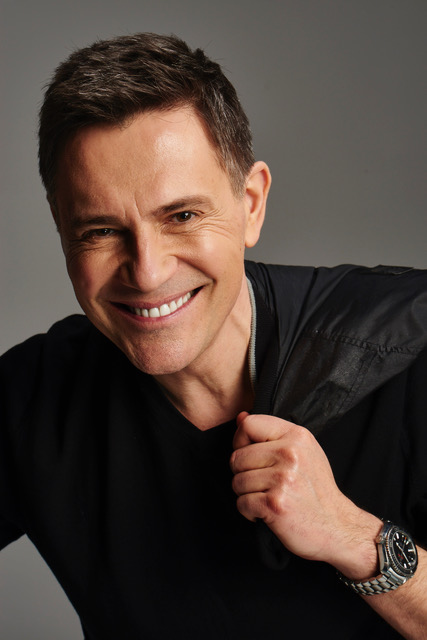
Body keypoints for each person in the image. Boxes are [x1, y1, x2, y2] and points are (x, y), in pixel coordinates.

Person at [1, 32, 426, 639]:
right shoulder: (34, 397)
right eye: (100, 231)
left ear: (251, 204)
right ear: (61, 227)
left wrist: (354, 537)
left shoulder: (409, 350)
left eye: (182, 216)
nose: (148, 272)